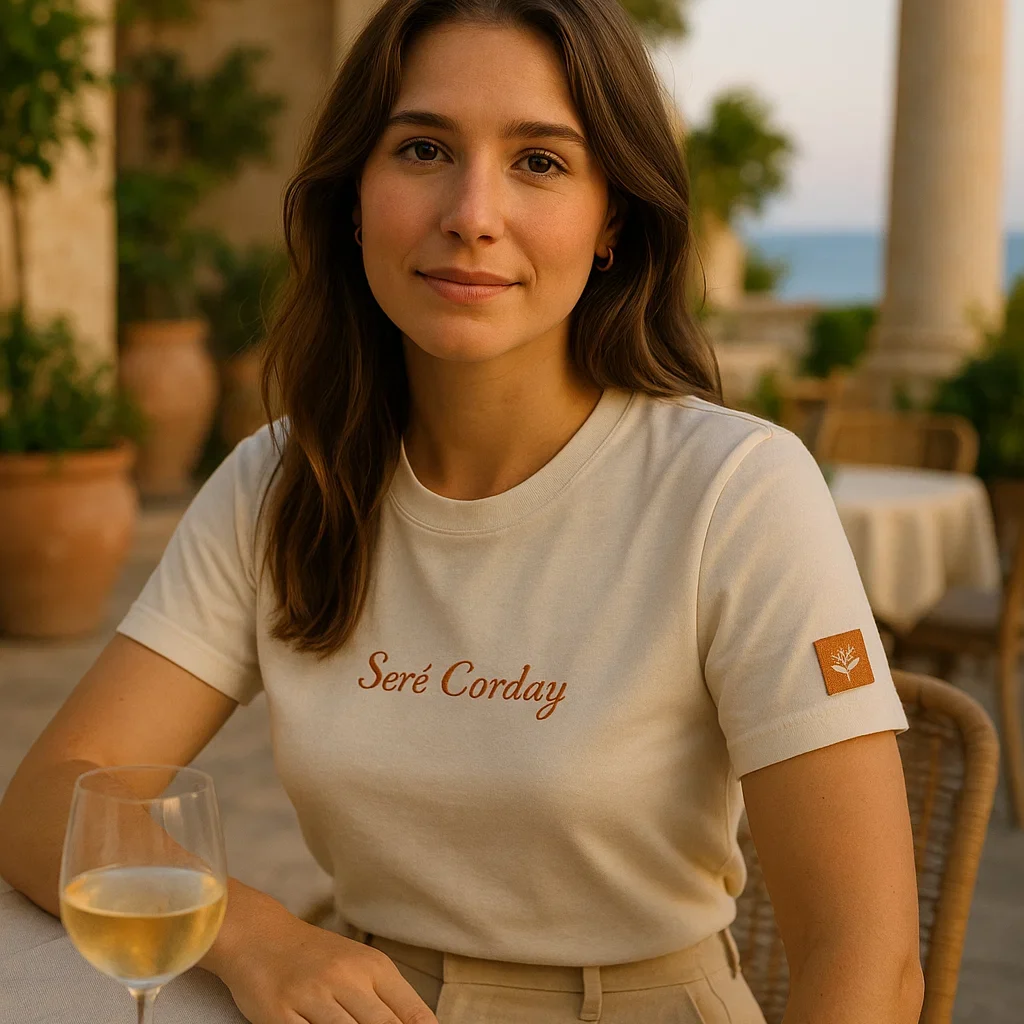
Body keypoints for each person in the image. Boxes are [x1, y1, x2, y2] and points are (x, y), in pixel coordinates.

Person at [0, 0, 925, 1021]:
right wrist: (257, 937)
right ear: (354, 195)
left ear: (612, 216)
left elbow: (866, 961)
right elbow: (55, 798)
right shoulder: (285, 481)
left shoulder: (733, 491)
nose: (471, 212)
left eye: (539, 161)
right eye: (424, 148)